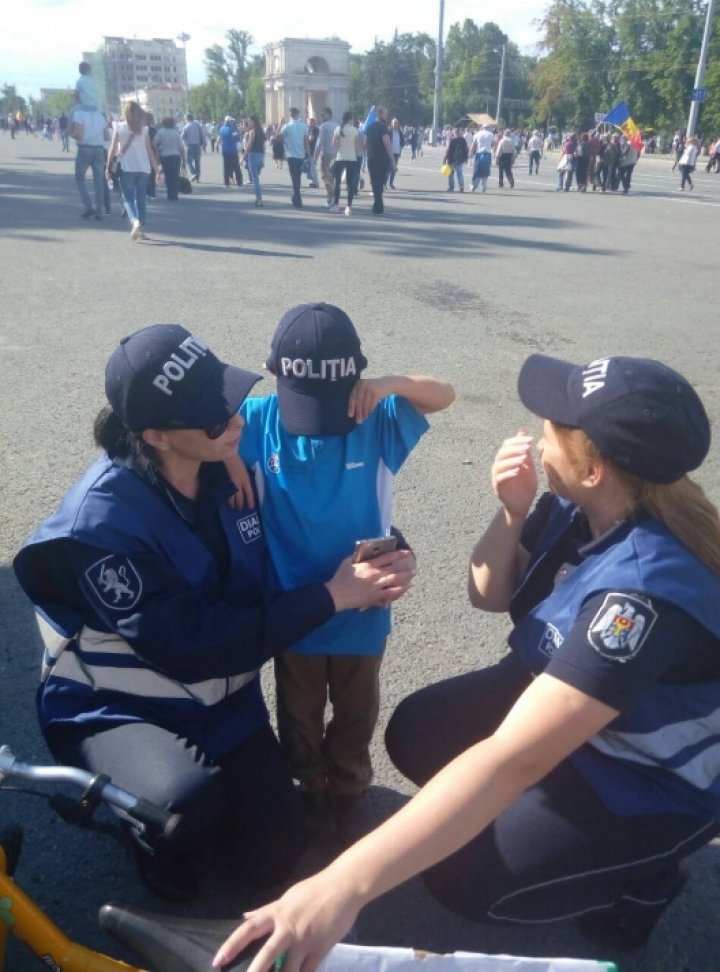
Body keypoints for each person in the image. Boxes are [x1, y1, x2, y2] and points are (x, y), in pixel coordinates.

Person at [214, 352, 720, 971]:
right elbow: (491, 594)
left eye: (552, 427)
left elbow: (516, 755)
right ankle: (530, 823)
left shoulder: (641, 596)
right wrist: (511, 510)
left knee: (464, 877)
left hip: (648, 773)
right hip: (579, 705)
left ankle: (647, 875)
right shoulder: (581, 505)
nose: (538, 433)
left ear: (593, 469)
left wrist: (340, 885)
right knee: (416, 731)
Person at [13, 323, 416, 904]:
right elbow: (192, 645)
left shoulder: (228, 465)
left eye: (229, 400)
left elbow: (316, 518)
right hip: (119, 706)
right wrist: (332, 596)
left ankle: (198, 801)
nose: (234, 420)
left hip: (220, 699)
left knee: (274, 856)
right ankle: (132, 823)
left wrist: (384, 553)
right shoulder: (101, 527)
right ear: (154, 435)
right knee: (180, 810)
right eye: (213, 417)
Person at [228, 302, 453, 840]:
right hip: (296, 607)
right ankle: (310, 783)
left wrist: (389, 383)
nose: (320, 429)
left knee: (357, 709)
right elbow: (219, 428)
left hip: (364, 607)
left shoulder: (374, 419)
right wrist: (231, 464)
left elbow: (444, 395)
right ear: (276, 377)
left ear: (355, 382)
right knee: (298, 710)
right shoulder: (259, 420)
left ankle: (350, 785)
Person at [107, 100, 158, 241]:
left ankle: (134, 221)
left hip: (126, 167)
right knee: (141, 199)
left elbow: (112, 149)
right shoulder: (144, 130)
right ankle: (141, 229)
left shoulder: (119, 127)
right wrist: (157, 170)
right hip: (143, 168)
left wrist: (108, 167)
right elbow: (149, 151)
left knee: (128, 198)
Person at [68, 104, 107, 220]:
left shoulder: (78, 114)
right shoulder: (100, 115)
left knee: (80, 179)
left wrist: (71, 134)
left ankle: (88, 206)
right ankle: (100, 210)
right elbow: (107, 136)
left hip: (84, 149)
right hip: (99, 149)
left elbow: (78, 135)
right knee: (99, 181)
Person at [365, 106, 396, 216]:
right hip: (382, 159)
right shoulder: (383, 128)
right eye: (385, 114)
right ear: (380, 114)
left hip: (372, 158)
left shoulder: (370, 127)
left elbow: (366, 143)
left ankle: (377, 206)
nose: (386, 116)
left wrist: (368, 153)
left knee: (375, 183)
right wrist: (393, 161)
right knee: (380, 183)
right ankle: (379, 206)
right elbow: (387, 144)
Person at [330, 111, 361, 214]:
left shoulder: (338, 129)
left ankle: (336, 205)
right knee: (351, 183)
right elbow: (356, 146)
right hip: (351, 158)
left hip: (340, 157)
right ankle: (349, 206)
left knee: (337, 182)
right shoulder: (354, 130)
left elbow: (334, 144)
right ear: (350, 119)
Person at [153, 117, 186, 201]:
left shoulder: (160, 132)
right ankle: (174, 194)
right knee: (175, 175)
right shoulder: (176, 133)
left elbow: (154, 143)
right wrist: (184, 159)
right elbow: (181, 147)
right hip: (175, 155)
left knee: (167, 175)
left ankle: (169, 193)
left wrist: (158, 149)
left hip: (165, 155)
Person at [282, 108, 309, 209]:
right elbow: (306, 142)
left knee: (294, 178)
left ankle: (298, 199)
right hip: (301, 155)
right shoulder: (304, 126)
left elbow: (279, 137)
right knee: (298, 177)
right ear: (298, 114)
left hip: (291, 155)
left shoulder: (287, 126)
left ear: (290, 115)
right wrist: (309, 155)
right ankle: (295, 197)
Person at [243, 115, 266, 206]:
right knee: (256, 176)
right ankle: (258, 197)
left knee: (255, 179)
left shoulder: (252, 131)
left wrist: (243, 156)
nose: (248, 123)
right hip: (260, 155)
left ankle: (259, 198)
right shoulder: (261, 132)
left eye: (249, 121)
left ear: (253, 122)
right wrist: (263, 159)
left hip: (253, 155)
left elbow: (249, 145)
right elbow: (264, 147)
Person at [219, 116, 243, 188]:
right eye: (232, 121)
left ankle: (226, 183)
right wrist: (240, 148)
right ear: (229, 122)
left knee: (226, 167)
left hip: (225, 150)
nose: (233, 122)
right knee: (236, 167)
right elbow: (237, 139)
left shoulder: (221, 129)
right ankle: (239, 182)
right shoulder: (232, 130)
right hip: (232, 151)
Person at [181, 113, 205, 182]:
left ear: (187, 119)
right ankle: (197, 177)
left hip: (189, 146)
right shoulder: (197, 125)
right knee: (197, 162)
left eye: (185, 119)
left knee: (188, 161)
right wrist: (202, 144)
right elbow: (201, 135)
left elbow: (182, 137)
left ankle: (193, 173)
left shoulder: (186, 127)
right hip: (197, 145)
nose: (184, 120)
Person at [470, 124, 494, 192]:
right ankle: (484, 187)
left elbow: (474, 144)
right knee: (486, 170)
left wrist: (470, 153)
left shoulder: (478, 134)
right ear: (489, 128)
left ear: (482, 128)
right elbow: (493, 143)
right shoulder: (491, 134)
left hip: (479, 153)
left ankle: (474, 185)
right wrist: (489, 146)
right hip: (488, 153)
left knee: (477, 170)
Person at [443, 127, 469, 192]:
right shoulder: (463, 140)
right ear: (460, 133)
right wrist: (466, 158)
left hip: (452, 159)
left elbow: (447, 150)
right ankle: (461, 185)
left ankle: (451, 188)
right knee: (459, 173)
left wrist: (445, 158)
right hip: (460, 159)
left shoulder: (452, 140)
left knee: (451, 174)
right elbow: (466, 150)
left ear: (454, 133)